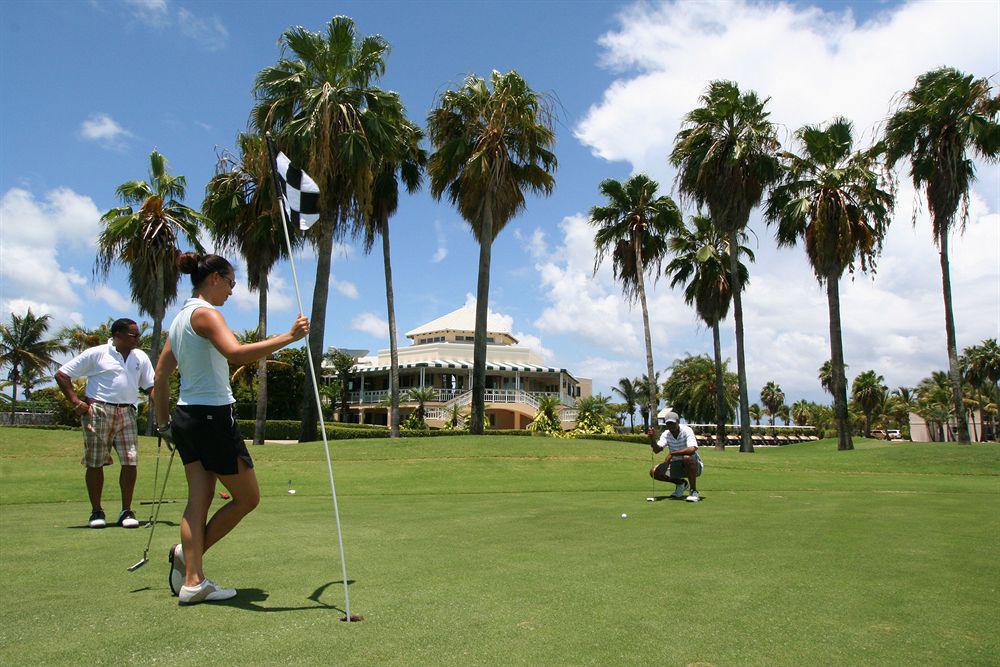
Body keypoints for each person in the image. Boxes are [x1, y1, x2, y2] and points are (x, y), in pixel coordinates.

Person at [153, 252, 308, 605]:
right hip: (211, 417)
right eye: (232, 283)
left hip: (186, 418)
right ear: (215, 279)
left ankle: (192, 576)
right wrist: (290, 336)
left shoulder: (179, 320)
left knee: (199, 498)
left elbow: (160, 378)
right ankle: (188, 565)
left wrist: (164, 426)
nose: (232, 291)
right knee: (248, 497)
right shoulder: (206, 314)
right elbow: (235, 353)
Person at [55, 318, 154, 529]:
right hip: (99, 410)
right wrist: (75, 402)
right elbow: (62, 374)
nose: (138, 338)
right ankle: (96, 511)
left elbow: (150, 385)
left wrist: (160, 401)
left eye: (138, 335)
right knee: (95, 461)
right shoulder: (97, 353)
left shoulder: (140, 357)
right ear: (117, 335)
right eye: (133, 335)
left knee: (130, 460)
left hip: (128, 411)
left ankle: (126, 511)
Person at [646, 411, 702, 502]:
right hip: (676, 465)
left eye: (672, 423)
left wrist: (672, 454)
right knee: (654, 471)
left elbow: (692, 449)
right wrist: (652, 438)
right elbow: (657, 450)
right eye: (668, 424)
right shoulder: (666, 434)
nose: (670, 426)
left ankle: (693, 491)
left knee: (687, 458)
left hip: (694, 466)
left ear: (678, 422)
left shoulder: (687, 430)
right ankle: (681, 483)